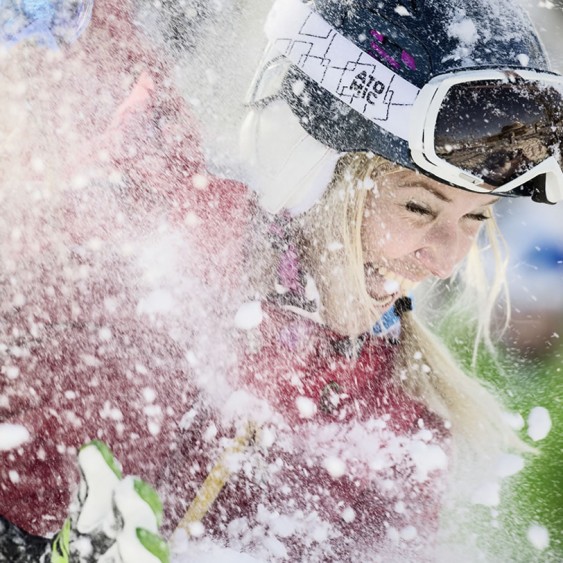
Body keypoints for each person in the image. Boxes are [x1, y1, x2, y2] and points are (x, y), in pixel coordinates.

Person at [1, 0, 563, 561]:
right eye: (418, 208)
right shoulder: (159, 231)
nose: (445, 260)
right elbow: (100, 85)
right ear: (312, 174)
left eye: (475, 217)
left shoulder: (395, 422)